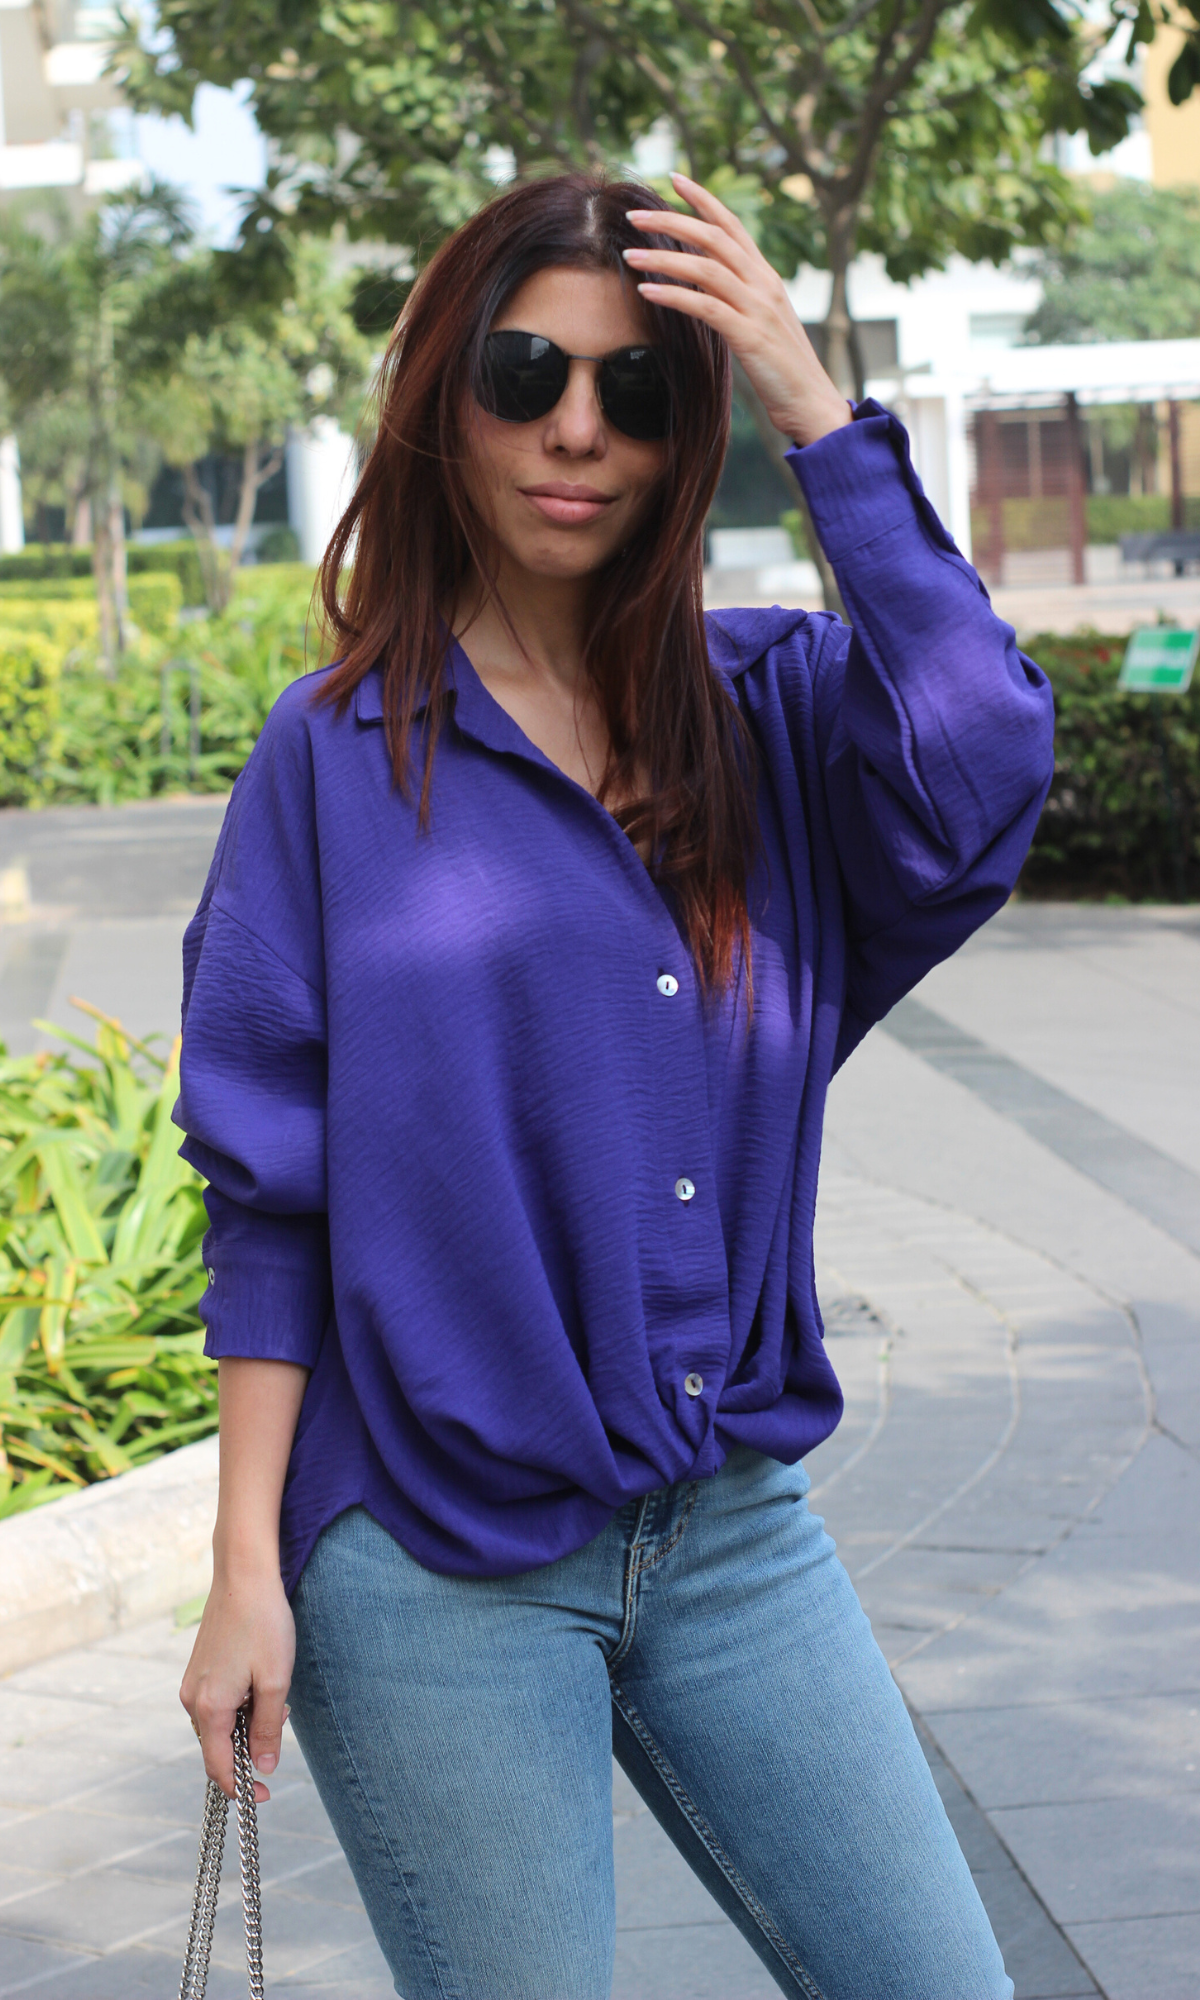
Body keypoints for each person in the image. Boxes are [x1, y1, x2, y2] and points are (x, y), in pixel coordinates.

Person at [176, 170, 1054, 2000]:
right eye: (528, 376)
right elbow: (270, 1191)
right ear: (447, 401)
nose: (579, 429)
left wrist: (815, 407)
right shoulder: (331, 759)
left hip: (728, 1529)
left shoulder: (772, 717)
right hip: (429, 1567)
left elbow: (981, 762)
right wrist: (244, 1567)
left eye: (638, 390)